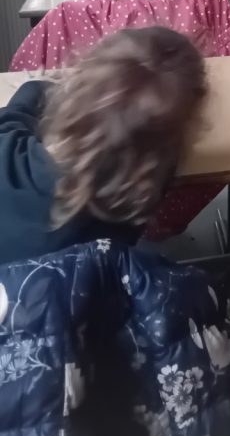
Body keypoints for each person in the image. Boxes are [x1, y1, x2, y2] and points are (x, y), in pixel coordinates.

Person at [0, 27, 208, 265]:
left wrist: (39, 87)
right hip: (80, 284)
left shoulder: (7, 151)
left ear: (72, 90)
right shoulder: (134, 200)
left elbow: (16, 112)